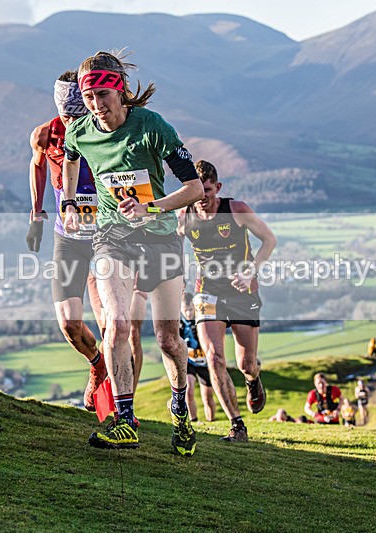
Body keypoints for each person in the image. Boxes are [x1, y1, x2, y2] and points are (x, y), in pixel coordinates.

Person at [63, 51, 204, 455]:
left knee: (168, 339)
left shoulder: (152, 127)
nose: (97, 106)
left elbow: (193, 189)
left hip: (160, 236)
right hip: (113, 236)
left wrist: (152, 207)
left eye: (103, 95)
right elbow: (71, 157)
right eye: (89, 97)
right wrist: (70, 201)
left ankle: (180, 406)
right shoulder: (81, 130)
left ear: (121, 90)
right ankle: (125, 419)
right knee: (118, 324)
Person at [26, 70, 109, 412]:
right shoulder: (44, 135)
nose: (73, 121)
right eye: (67, 115)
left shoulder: (105, 132)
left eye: (80, 115)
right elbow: (38, 167)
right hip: (69, 234)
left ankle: (121, 407)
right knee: (69, 324)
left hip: (107, 236)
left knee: (112, 321)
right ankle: (97, 363)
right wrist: (36, 216)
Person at [178, 160, 277, 442]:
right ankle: (237, 425)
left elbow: (269, 240)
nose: (202, 198)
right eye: (196, 192)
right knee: (214, 357)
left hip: (241, 292)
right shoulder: (184, 215)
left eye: (207, 191)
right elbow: (172, 244)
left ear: (217, 187)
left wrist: (251, 271)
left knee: (246, 362)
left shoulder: (236, 210)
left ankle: (252, 379)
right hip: (206, 292)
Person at [180, 292, 215, 422]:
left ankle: (211, 421)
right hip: (189, 361)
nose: (188, 314)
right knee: (188, 390)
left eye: (190, 310)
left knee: (208, 397)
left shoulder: (202, 321)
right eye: (185, 310)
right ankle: (193, 421)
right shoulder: (179, 324)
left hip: (204, 362)